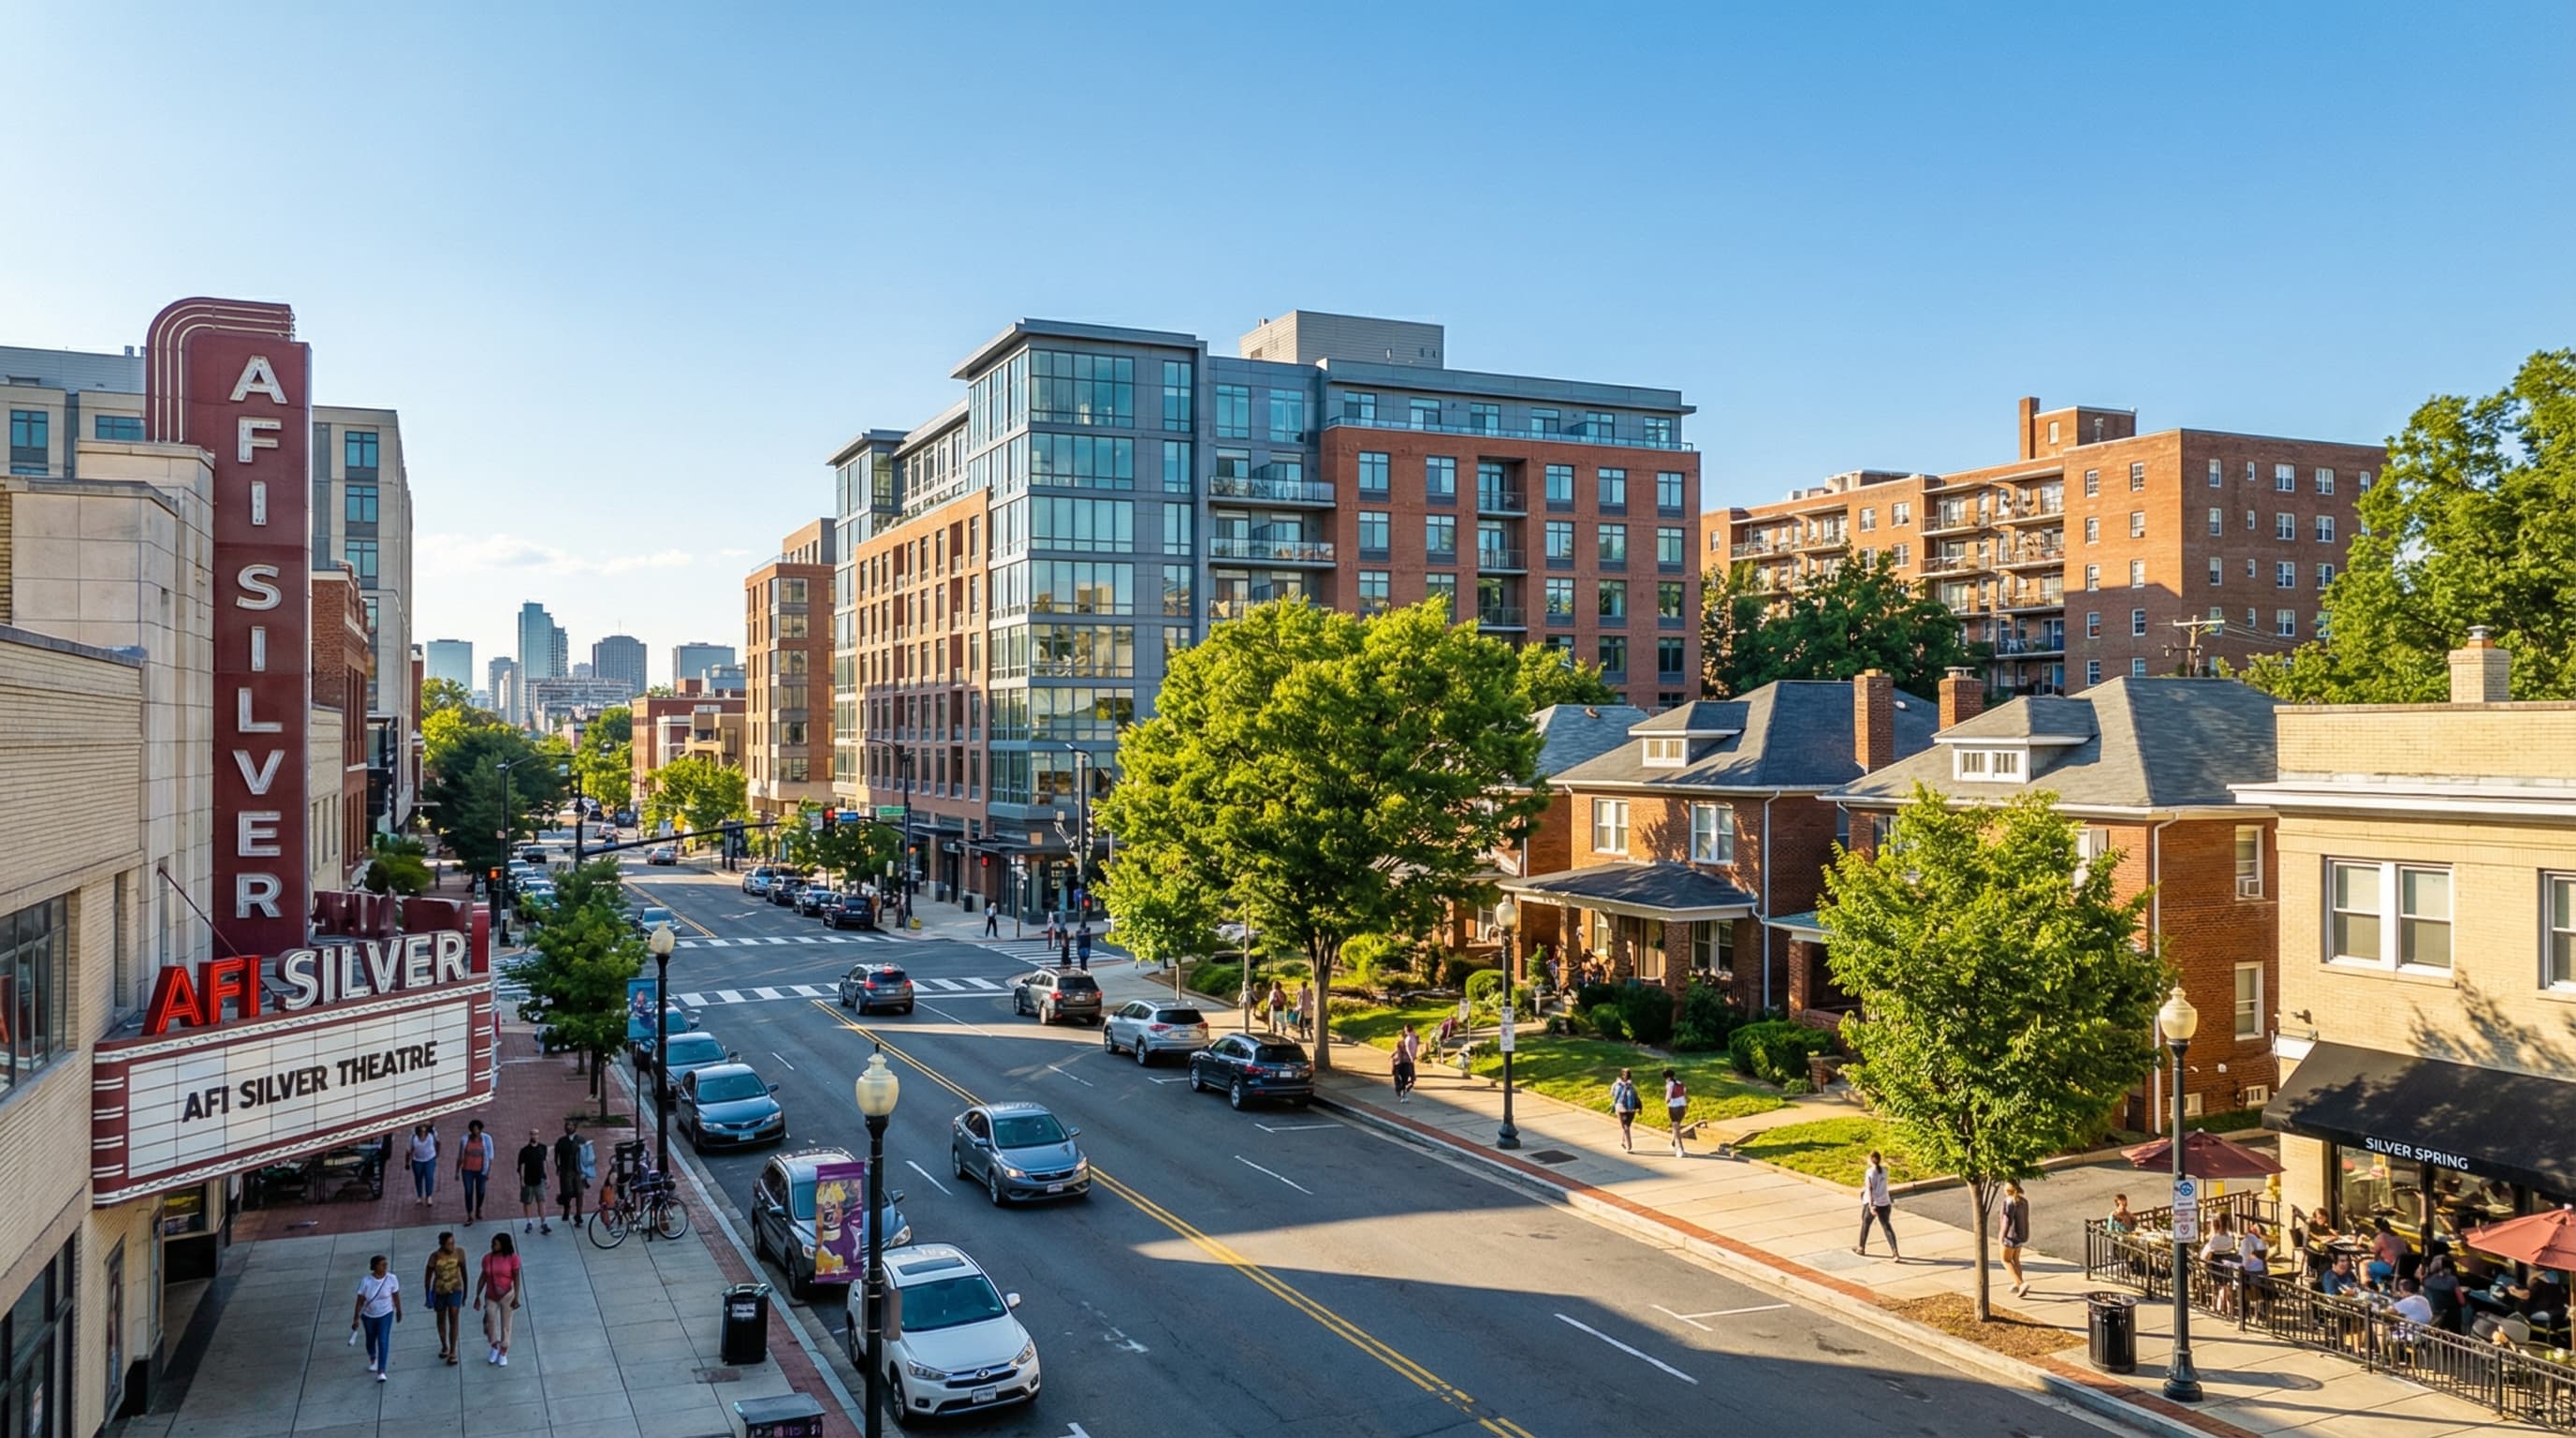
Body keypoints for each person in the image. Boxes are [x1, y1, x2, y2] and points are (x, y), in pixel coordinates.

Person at [474, 1232, 523, 1365]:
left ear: (503, 1244)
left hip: (507, 1295)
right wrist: (477, 1295)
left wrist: (516, 1297)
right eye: (493, 1243)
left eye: (495, 1243)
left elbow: (517, 1278)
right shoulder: (487, 1258)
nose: (493, 1245)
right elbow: (483, 1277)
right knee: (490, 1320)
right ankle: (494, 1345)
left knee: (506, 1324)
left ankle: (504, 1351)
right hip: (491, 1295)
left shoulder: (513, 1258)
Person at [350, 1254, 401, 1380]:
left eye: (386, 1264)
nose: (385, 1267)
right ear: (375, 1266)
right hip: (369, 1316)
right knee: (370, 1340)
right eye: (382, 1265)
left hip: (386, 1314)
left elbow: (395, 1295)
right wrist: (356, 1318)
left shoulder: (391, 1278)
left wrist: (399, 1310)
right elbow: (360, 1300)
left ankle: (381, 1370)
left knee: (383, 1340)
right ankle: (373, 1357)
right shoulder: (366, 1282)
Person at [423, 1231, 468, 1365]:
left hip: (455, 1289)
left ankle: (453, 1351)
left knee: (454, 1316)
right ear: (442, 1244)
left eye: (453, 1243)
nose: (452, 1246)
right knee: (441, 1318)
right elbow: (428, 1277)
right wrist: (428, 1295)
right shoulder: (435, 1257)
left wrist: (466, 1292)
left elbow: (464, 1273)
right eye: (449, 1244)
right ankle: (444, 1345)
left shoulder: (459, 1253)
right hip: (440, 1291)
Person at [1856, 1151, 1900, 1259]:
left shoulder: (1870, 1172)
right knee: (1887, 1227)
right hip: (1885, 1203)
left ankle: (1861, 1247)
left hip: (1874, 1203)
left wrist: (1871, 1206)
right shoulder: (1885, 1171)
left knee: (1866, 1224)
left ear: (1871, 1160)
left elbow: (1870, 1189)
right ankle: (1895, 1252)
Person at [456, 1120, 494, 1225]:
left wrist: (488, 1172)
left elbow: (490, 1156)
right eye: (473, 1130)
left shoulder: (487, 1139)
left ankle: (478, 1208)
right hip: (467, 1170)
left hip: (481, 1170)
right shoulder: (464, 1140)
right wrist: (457, 1171)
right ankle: (470, 1214)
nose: (475, 1132)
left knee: (481, 1191)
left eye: (477, 1130)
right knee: (468, 1191)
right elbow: (460, 1156)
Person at [1998, 1181, 2032, 1299]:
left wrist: (2001, 1236)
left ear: (2007, 1190)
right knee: (2016, 1259)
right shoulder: (2023, 1201)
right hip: (2021, 1235)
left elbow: (2006, 1221)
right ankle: (2018, 1283)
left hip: (2010, 1236)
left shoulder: (2008, 1202)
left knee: (2006, 1260)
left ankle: (2020, 1283)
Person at [553, 1120, 588, 1226]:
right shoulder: (561, 1141)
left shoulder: (581, 1140)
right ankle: (567, 1209)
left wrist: (586, 1170)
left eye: (571, 1125)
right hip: (566, 1170)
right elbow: (556, 1156)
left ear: (575, 1127)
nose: (568, 1127)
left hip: (578, 1171)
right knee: (567, 1192)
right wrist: (558, 1167)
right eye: (567, 1125)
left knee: (579, 1193)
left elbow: (586, 1156)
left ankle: (578, 1215)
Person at [516, 1128, 550, 1234]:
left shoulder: (543, 1148)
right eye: (532, 1134)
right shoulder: (524, 1151)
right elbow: (521, 1166)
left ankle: (543, 1222)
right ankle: (529, 1221)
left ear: (538, 1135)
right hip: (528, 1180)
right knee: (527, 1202)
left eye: (536, 1134)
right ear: (530, 1135)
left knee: (541, 1201)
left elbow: (545, 1162)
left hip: (539, 1179)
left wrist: (547, 1177)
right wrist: (522, 1180)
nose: (534, 1136)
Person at [1609, 1068, 1642, 1152]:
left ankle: (1624, 1142)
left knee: (1626, 1126)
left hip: (1627, 1107)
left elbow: (1612, 1094)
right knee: (1626, 1127)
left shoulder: (1625, 1086)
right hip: (1624, 1107)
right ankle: (1629, 1146)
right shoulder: (1627, 1086)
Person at [407, 1123, 439, 1207]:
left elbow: (438, 1142)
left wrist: (437, 1155)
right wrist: (407, 1162)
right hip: (417, 1160)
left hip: (430, 1159)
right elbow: (408, 1150)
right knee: (418, 1178)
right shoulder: (413, 1137)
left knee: (429, 1177)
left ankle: (429, 1196)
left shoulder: (432, 1135)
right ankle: (419, 1196)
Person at [1662, 1068, 1689, 1157]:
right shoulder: (1680, 1083)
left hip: (1674, 1107)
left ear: (1667, 1078)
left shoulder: (1670, 1084)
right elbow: (1685, 1093)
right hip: (1682, 1107)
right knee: (1677, 1126)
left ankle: (1680, 1149)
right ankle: (1673, 1143)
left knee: (1676, 1129)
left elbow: (1668, 1098)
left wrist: (1666, 1101)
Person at [1393, 1024, 1421, 1103]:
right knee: (1404, 1079)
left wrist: (1412, 1058)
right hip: (1402, 1063)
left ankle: (1403, 1092)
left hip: (1407, 1062)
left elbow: (1411, 1049)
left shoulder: (1411, 1038)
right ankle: (1402, 1093)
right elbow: (1406, 1051)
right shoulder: (1406, 1041)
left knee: (1408, 1078)